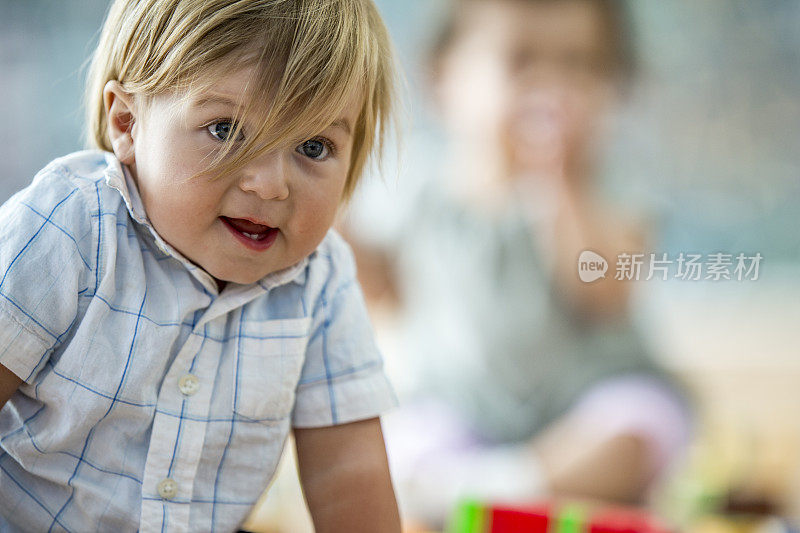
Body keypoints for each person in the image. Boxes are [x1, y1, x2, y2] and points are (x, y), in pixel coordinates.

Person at [0, 1, 401, 531]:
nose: (270, 184)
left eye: (313, 145)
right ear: (127, 122)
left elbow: (348, 469)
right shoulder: (71, 223)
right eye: (224, 130)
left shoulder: (320, 282)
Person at [344, 0, 692, 526]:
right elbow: (382, 291)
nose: (551, 87)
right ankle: (483, 486)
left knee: (638, 427)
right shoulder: (421, 193)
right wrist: (332, 217)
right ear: (446, 80)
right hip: (464, 412)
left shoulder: (608, 193)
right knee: (396, 440)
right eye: (521, 60)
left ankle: (505, 487)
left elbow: (607, 292)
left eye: (580, 65)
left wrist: (560, 186)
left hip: (585, 409)